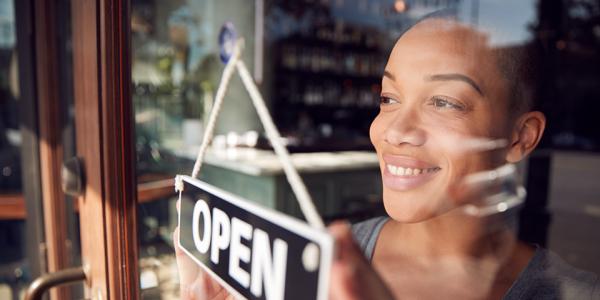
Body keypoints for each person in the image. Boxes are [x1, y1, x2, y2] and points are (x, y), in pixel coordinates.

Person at [173, 15, 600, 300]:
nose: (393, 130)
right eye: (388, 97)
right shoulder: (323, 259)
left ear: (520, 137)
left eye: (444, 102)